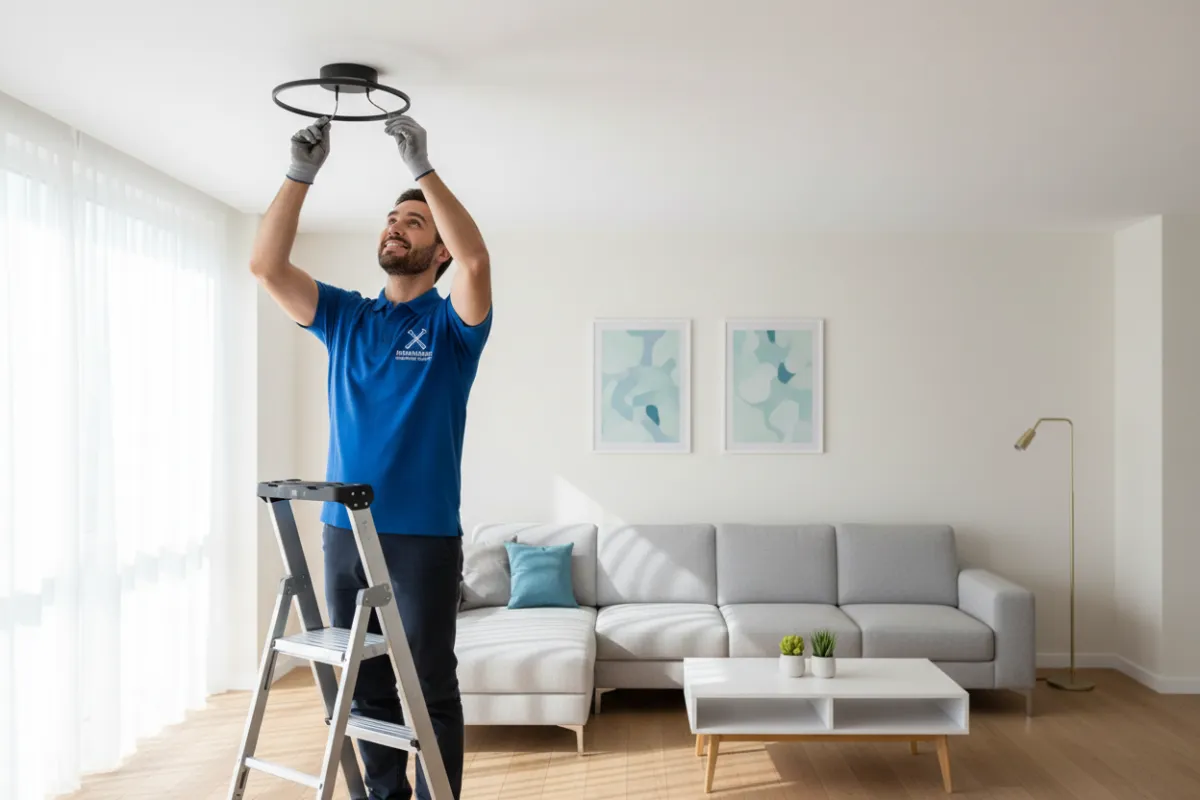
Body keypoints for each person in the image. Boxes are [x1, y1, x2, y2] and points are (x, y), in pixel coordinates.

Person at [249, 112, 492, 800]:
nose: (396, 226)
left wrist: (422, 168)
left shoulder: (452, 327)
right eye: (391, 218)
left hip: (422, 540)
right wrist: (301, 174)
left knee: (429, 686)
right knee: (366, 684)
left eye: (414, 223)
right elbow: (265, 265)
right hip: (343, 535)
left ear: (437, 252)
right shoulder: (345, 316)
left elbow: (477, 262)